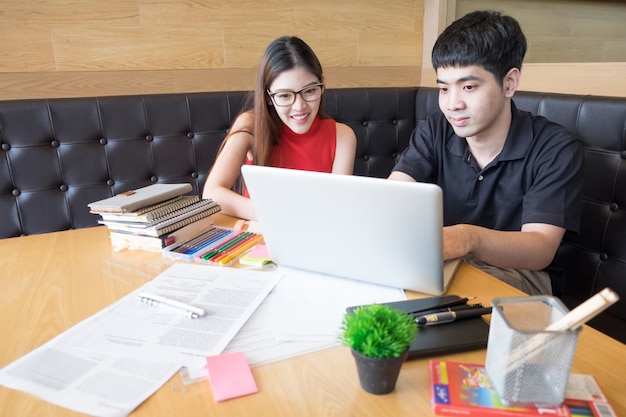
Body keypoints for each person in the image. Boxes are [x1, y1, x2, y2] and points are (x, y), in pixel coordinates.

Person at [389, 10, 584, 296]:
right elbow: (395, 194)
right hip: (445, 263)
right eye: (443, 89)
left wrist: (468, 237)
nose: (452, 104)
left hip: (524, 277)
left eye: (468, 87)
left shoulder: (556, 147)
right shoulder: (436, 128)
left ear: (509, 83)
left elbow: (540, 248)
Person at [202, 36, 357, 220]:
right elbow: (212, 194)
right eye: (284, 95)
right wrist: (277, 215)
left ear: (322, 85)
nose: (299, 106)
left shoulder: (343, 137)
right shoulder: (250, 125)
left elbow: (336, 207)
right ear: (268, 96)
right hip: (259, 236)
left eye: (309, 91)